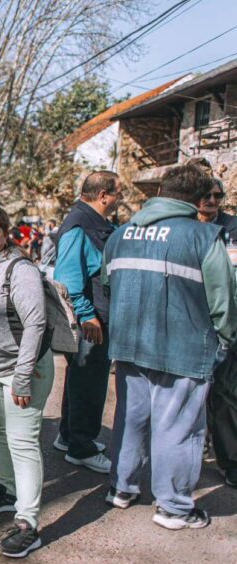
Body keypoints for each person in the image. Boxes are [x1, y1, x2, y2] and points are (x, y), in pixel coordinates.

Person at [103, 164, 237, 530]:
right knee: (179, 428)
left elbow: (108, 284)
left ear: (161, 191)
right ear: (197, 199)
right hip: (185, 348)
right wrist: (226, 339)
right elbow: (223, 301)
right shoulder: (204, 236)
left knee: (130, 420)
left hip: (129, 345)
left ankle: (122, 488)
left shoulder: (120, 234)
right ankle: (174, 507)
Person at [0, 205, 54, 559]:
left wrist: (21, 378)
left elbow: (35, 324)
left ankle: (28, 524)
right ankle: (8, 490)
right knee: (1, 432)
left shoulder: (20, 269)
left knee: (23, 443)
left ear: (6, 234)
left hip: (23, 373)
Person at [52, 171, 121, 474]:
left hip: (96, 316)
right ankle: (81, 447)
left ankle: (68, 437)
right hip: (91, 320)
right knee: (89, 383)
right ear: (104, 195)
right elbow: (66, 277)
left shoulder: (93, 223)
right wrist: (86, 314)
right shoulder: (80, 224)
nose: (121, 198)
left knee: (81, 379)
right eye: (119, 192)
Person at [197, 177, 237, 487]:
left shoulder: (232, 227)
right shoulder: (184, 227)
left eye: (217, 195)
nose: (212, 200)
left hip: (226, 323)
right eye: (205, 195)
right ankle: (193, 451)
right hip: (192, 321)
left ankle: (230, 460)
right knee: (191, 394)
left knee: (225, 393)